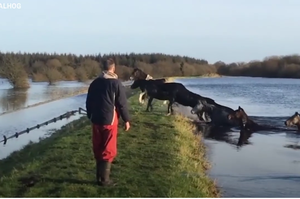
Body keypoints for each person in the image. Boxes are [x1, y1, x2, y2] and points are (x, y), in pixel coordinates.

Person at [86, 58, 131, 186]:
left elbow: (89, 101)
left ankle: (98, 178)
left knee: (98, 147)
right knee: (108, 149)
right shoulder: (116, 83)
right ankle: (104, 180)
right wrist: (126, 120)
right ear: (113, 68)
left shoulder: (94, 83)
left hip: (96, 119)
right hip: (109, 120)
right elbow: (122, 104)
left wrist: (90, 115)